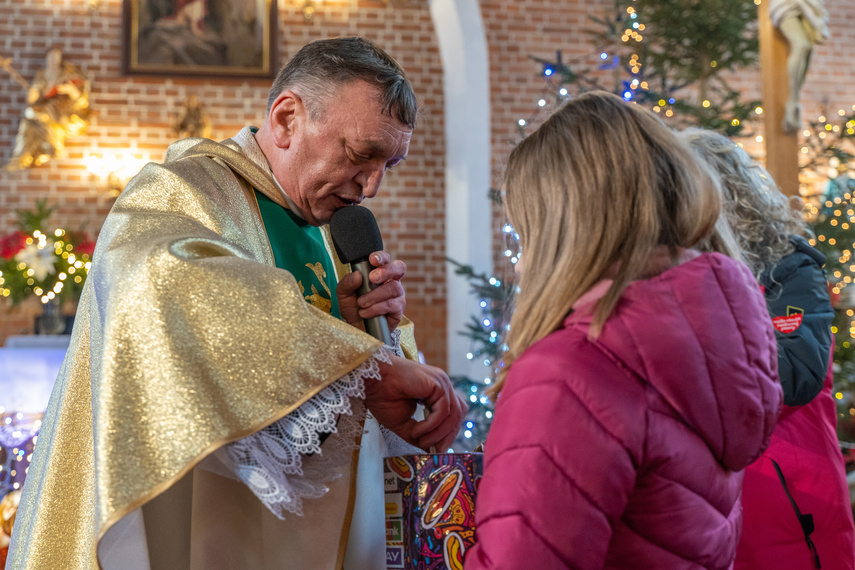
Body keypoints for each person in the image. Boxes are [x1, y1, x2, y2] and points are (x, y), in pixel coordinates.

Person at [8, 37, 466, 570]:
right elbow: (166, 287)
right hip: (211, 534)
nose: (372, 186)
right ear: (287, 118)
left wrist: (364, 333)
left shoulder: (332, 230)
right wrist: (356, 364)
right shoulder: (178, 193)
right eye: (362, 154)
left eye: (391, 163)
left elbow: (351, 384)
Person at [465, 91, 783, 569]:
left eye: (525, 231)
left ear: (562, 230)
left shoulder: (569, 371)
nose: (524, 257)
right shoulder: (709, 333)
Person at [682, 127, 855, 570]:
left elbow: (795, 372)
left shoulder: (789, 270)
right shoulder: (675, 273)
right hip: (709, 497)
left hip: (790, 497)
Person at [6, 46, 90, 170]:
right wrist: (33, 96)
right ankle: (22, 156)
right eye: (50, 57)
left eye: (56, 57)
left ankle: (50, 146)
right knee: (29, 117)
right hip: (45, 107)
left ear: (60, 60)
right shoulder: (41, 74)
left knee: (41, 117)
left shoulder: (67, 73)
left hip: (62, 109)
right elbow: (33, 99)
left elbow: (80, 99)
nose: (53, 60)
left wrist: (70, 90)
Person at [768, 0, 830, 133]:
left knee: (808, 48)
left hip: (808, 5)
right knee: (801, 45)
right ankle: (792, 103)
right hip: (786, 5)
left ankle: (794, 101)